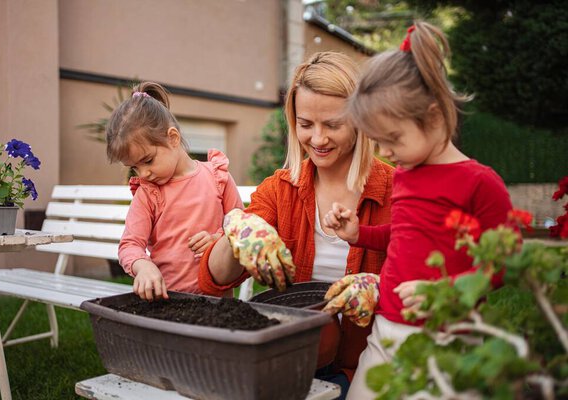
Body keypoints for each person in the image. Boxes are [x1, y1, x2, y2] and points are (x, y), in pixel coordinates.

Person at [322, 21, 513, 399]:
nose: (385, 153)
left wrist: (445, 291)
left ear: (434, 116)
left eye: (392, 139)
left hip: (448, 335)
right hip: (387, 328)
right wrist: (360, 234)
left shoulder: (479, 182)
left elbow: (504, 264)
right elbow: (405, 236)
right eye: (378, 142)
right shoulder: (407, 176)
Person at [196, 51, 395, 398]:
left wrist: (383, 286)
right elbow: (215, 279)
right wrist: (237, 229)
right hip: (293, 358)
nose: (318, 139)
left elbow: (435, 278)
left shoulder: (398, 191)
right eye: (306, 124)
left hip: (370, 360)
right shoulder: (279, 189)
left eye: (333, 124)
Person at [105, 81, 243, 300]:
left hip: (219, 302)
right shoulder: (148, 194)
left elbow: (241, 226)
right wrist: (143, 266)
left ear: (173, 138)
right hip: (170, 302)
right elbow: (130, 244)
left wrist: (218, 240)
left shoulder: (218, 176)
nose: (143, 174)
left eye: (148, 160)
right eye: (135, 167)